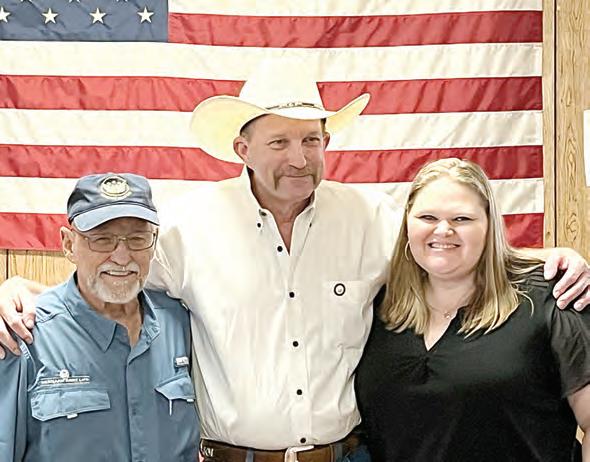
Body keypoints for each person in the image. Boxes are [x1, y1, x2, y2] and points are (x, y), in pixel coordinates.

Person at [0, 59, 589, 462]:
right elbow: (109, 275)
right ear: (243, 149)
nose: (299, 158)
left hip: (345, 454)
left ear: (327, 143)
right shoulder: (188, 227)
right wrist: (23, 289)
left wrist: (548, 258)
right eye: (279, 142)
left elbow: (444, 243)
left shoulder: (368, 218)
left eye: (311, 139)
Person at [355, 158, 590, 461]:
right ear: (407, 224)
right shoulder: (377, 306)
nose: (443, 230)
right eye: (427, 217)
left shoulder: (553, 297)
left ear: (489, 225)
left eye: (462, 219)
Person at [0, 173, 200, 461]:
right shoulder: (25, 334)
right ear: (69, 244)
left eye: (137, 238)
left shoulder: (180, 323)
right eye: (102, 239)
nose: (122, 257)